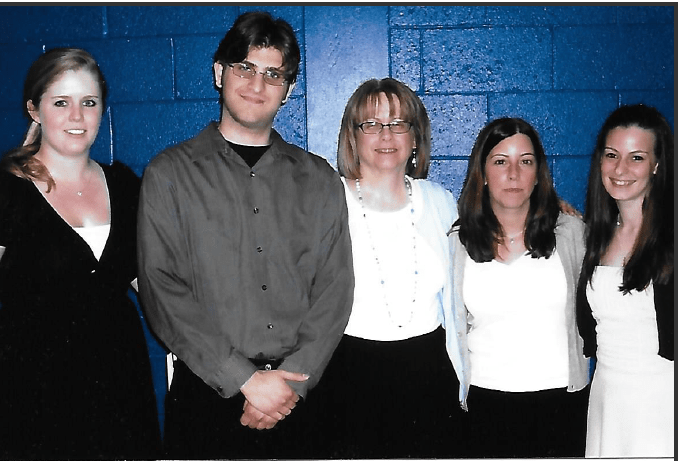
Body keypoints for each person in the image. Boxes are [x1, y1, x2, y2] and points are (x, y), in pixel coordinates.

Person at [136, 11, 354, 459]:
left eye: (273, 74)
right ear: (219, 72)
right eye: (245, 68)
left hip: (301, 400)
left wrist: (292, 381)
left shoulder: (319, 179)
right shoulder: (170, 175)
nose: (257, 85)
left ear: (289, 91)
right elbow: (161, 289)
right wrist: (246, 380)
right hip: (207, 396)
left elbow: (335, 290)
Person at [0, 48, 161, 459]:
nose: (77, 117)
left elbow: (150, 285)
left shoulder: (125, 185)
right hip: (32, 395)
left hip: (120, 387)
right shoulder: (4, 191)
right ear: (35, 109)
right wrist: (8, 356)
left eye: (89, 102)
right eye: (61, 102)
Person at [316, 77, 466, 458]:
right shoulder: (327, 201)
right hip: (348, 376)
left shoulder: (441, 202)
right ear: (353, 137)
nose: (386, 135)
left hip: (429, 375)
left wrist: (553, 213)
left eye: (398, 123)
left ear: (415, 137)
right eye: (372, 124)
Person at [449, 117, 590, 457]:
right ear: (482, 173)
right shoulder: (457, 242)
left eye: (525, 161)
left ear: (537, 172)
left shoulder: (571, 233)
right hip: (484, 403)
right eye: (500, 161)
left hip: (562, 402)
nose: (514, 173)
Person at [576, 104, 674, 458]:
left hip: (660, 404)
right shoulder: (595, 236)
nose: (620, 169)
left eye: (636, 158)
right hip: (606, 396)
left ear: (657, 165)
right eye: (612, 155)